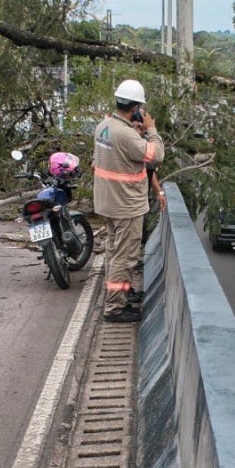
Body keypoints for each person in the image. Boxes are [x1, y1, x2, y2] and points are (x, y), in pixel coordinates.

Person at [93, 78, 165, 324]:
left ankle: (121, 292)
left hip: (107, 202)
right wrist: (152, 130)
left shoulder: (103, 126)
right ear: (135, 107)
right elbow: (157, 156)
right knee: (124, 256)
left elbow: (118, 154)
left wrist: (135, 134)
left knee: (115, 252)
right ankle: (114, 308)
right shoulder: (126, 135)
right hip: (126, 206)